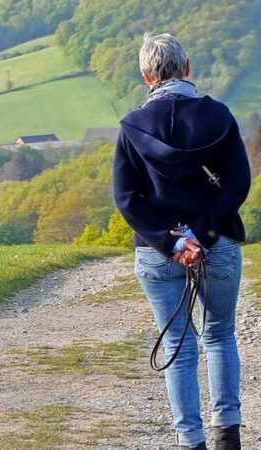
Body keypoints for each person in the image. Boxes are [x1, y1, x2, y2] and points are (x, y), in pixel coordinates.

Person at [113, 33, 250, 450]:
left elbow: (126, 197)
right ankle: (227, 434)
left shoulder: (132, 126)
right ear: (187, 68)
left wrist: (171, 242)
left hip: (157, 252)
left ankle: (189, 440)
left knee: (178, 343)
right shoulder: (220, 116)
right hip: (217, 241)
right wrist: (201, 235)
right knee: (220, 336)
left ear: (145, 75)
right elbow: (237, 184)